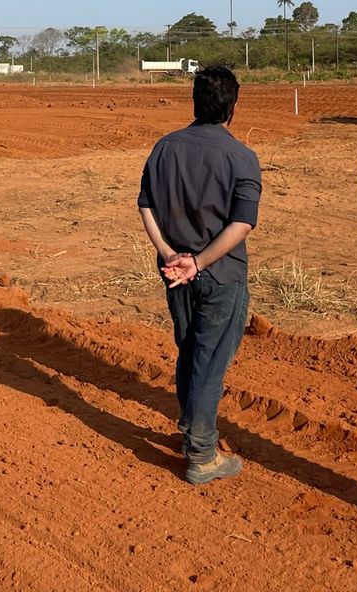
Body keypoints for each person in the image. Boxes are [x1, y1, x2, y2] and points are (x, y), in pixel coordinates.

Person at [137, 65, 260, 485]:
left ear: (194, 101)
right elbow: (241, 225)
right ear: (233, 106)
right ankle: (202, 455)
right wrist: (201, 260)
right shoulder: (241, 157)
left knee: (189, 350)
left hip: (175, 272)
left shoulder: (164, 148)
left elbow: (146, 206)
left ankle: (191, 431)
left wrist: (169, 253)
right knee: (209, 362)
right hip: (219, 273)